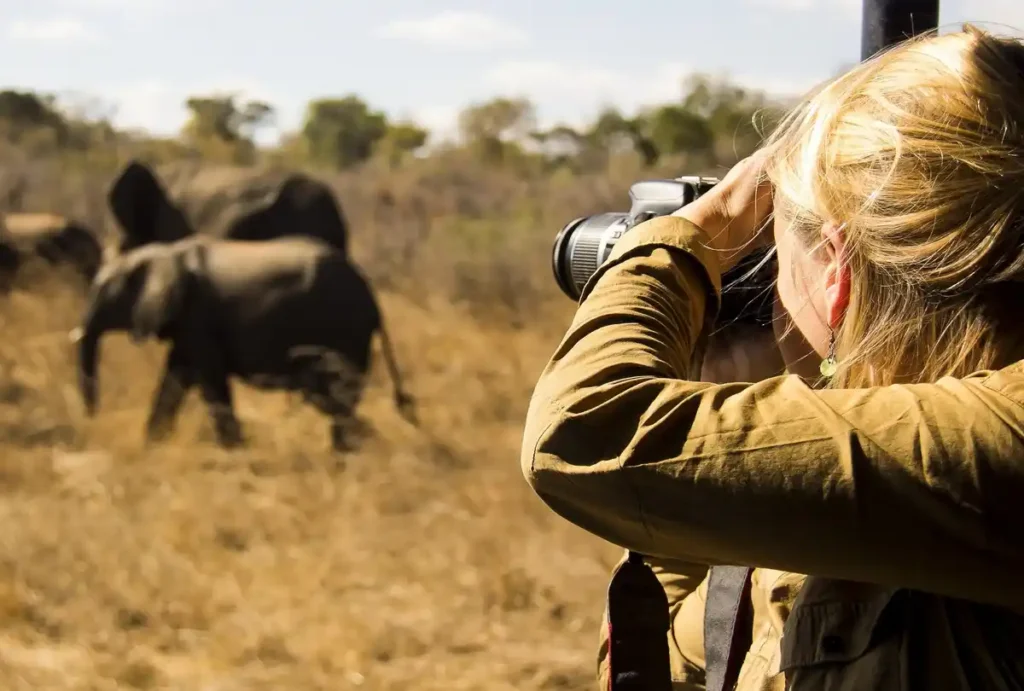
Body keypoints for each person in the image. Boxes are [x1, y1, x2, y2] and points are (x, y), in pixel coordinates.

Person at [520, 24, 1024, 691]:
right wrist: (732, 397)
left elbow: (584, 434)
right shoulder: (884, 486)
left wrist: (692, 237)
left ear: (837, 274)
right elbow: (676, 659)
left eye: (781, 255)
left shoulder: (991, 445)